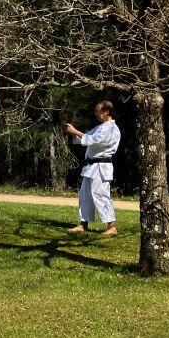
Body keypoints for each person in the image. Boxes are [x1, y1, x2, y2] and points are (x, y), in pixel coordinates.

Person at [64, 101, 121, 237]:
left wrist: (75, 131)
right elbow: (86, 137)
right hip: (91, 166)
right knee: (85, 196)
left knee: (101, 195)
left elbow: (94, 140)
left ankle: (112, 226)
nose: (95, 113)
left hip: (102, 166)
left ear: (106, 111)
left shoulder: (112, 128)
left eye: (98, 110)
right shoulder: (100, 127)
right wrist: (72, 132)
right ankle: (83, 224)